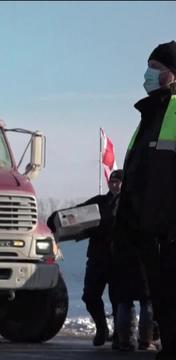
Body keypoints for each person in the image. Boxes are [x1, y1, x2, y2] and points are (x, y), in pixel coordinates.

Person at [113, 41, 176, 360]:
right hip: (149, 233)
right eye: (148, 66)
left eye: (156, 67)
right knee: (162, 296)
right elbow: (137, 178)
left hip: (169, 231)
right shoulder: (149, 115)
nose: (148, 73)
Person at [52, 169, 122, 346]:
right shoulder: (100, 202)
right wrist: (57, 219)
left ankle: (120, 334)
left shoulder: (130, 204)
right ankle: (102, 329)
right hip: (98, 258)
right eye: (112, 182)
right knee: (90, 296)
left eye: (118, 182)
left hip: (120, 260)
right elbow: (78, 213)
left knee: (119, 299)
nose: (115, 185)